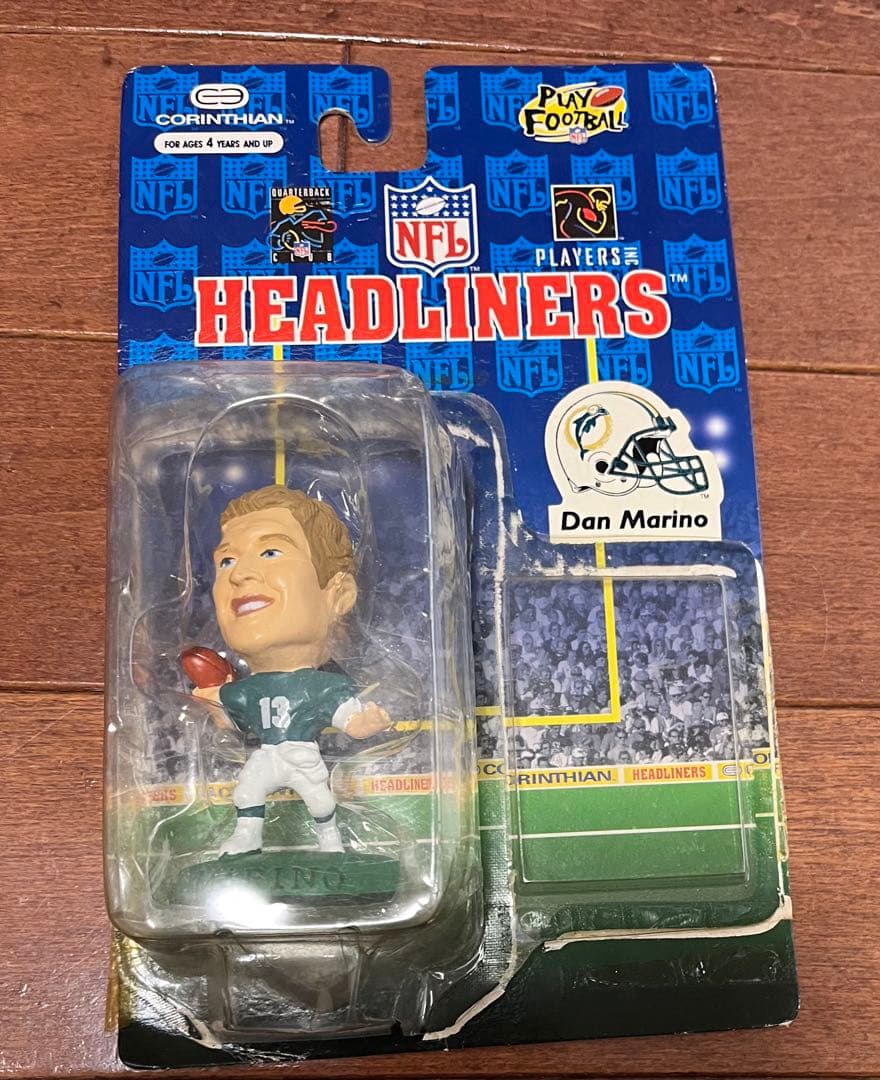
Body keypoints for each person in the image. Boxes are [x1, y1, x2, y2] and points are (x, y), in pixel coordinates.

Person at [192, 486, 392, 856]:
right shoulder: (247, 688)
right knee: (247, 792)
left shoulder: (318, 684)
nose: (240, 575)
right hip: (267, 754)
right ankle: (247, 838)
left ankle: (330, 842)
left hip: (302, 755)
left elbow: (347, 717)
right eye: (227, 561)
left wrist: (365, 723)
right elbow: (227, 716)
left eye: (270, 552)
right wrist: (209, 700)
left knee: (319, 800)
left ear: (339, 595)